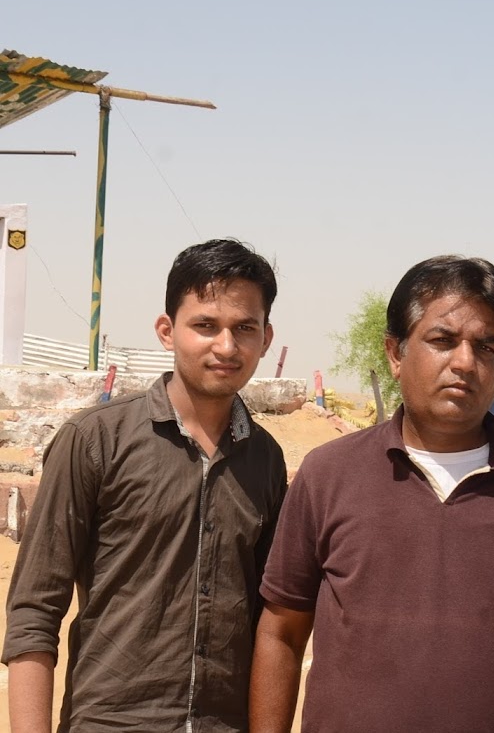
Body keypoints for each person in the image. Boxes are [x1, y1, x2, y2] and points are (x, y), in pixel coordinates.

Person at [250, 255, 494, 733]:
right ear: (395, 353)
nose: (465, 362)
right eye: (443, 340)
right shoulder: (328, 475)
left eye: (486, 346)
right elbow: (281, 634)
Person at [3, 239, 287, 732]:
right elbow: (34, 610)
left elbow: (271, 619)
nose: (226, 346)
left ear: (266, 338)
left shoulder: (266, 459)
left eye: (244, 328)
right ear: (166, 331)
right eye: (205, 325)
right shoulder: (95, 440)